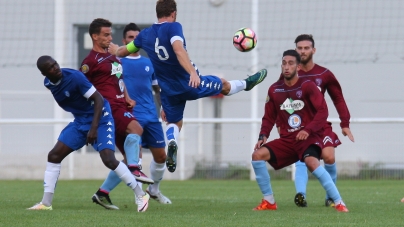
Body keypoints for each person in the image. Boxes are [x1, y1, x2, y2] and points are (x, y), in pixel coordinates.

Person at [109, 0, 268, 173]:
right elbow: (178, 49)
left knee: (174, 122)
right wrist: (192, 72)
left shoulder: (144, 35)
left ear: (157, 13)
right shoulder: (173, 27)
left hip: (168, 90)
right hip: (189, 83)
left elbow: (124, 51)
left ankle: (172, 142)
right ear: (173, 13)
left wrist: (116, 49)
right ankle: (247, 84)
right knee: (223, 84)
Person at [27, 56, 149, 212]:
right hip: (80, 122)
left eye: (55, 64)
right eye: (50, 67)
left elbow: (98, 99)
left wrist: (93, 128)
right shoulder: (48, 84)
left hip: (101, 118)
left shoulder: (75, 77)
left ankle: (141, 195)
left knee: (109, 159)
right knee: (54, 156)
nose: (55, 68)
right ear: (44, 73)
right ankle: (46, 203)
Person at [251, 50, 348, 212]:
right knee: (257, 155)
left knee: (311, 162)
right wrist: (263, 135)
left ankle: (338, 202)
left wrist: (308, 130)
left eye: (291, 63)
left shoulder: (307, 86)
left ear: (298, 67)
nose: (286, 67)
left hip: (309, 137)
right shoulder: (274, 90)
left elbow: (323, 111)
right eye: (284, 63)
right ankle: (269, 202)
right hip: (289, 140)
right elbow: (268, 117)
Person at [93, 22, 171, 205]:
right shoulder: (117, 61)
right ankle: (135, 196)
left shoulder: (149, 62)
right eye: (130, 37)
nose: (134, 40)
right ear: (124, 40)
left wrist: (163, 107)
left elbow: (157, 89)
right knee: (133, 160)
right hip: (130, 115)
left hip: (151, 115)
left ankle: (153, 190)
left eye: (137, 38)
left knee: (161, 156)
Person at [80, 18, 153, 211]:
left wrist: (127, 97)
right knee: (136, 129)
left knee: (131, 154)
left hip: (123, 105)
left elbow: (119, 79)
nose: (110, 38)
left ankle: (102, 193)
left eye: (111, 34)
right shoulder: (89, 62)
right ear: (95, 36)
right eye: (106, 34)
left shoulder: (113, 56)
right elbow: (83, 88)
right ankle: (136, 175)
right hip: (110, 108)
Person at [290, 34, 355, 208]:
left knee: (329, 156)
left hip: (320, 126)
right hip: (299, 127)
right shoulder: (289, 75)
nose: (303, 51)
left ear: (313, 50)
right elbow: (281, 99)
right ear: (295, 50)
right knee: (302, 159)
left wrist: (345, 124)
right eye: (299, 48)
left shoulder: (324, 74)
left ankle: (330, 197)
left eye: (306, 48)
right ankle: (301, 195)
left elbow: (338, 98)